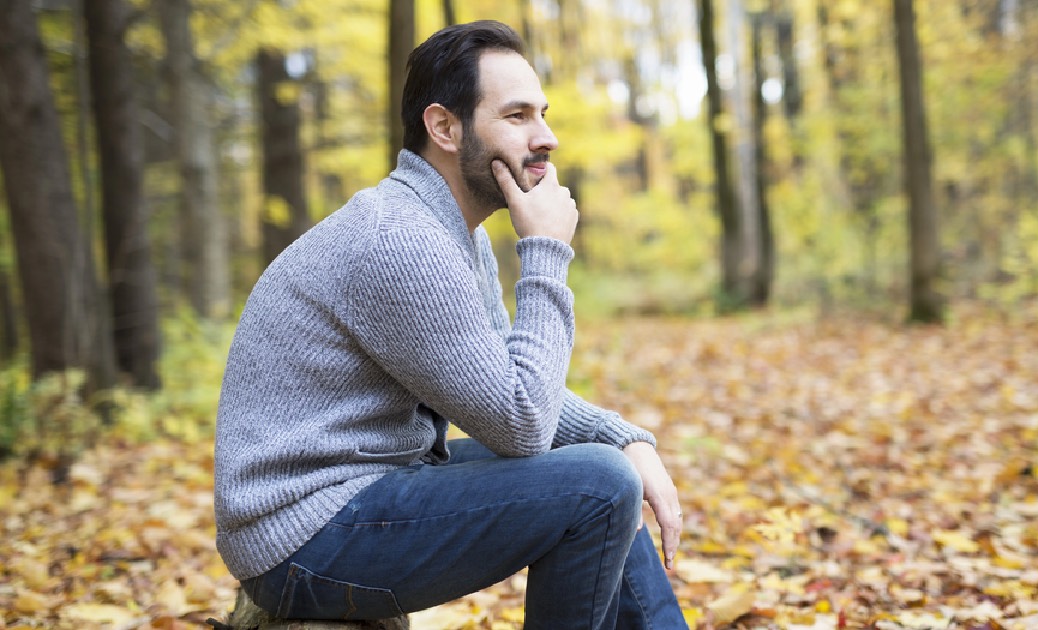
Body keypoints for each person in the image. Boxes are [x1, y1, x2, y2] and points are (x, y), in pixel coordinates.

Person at [213, 19, 687, 629]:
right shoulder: (401, 241)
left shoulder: (448, 233)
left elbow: (501, 386)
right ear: (443, 127)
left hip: (365, 491)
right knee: (597, 487)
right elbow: (520, 425)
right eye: (517, 117)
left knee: (604, 466)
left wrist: (626, 438)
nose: (547, 138)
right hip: (302, 539)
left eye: (542, 114)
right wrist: (545, 254)